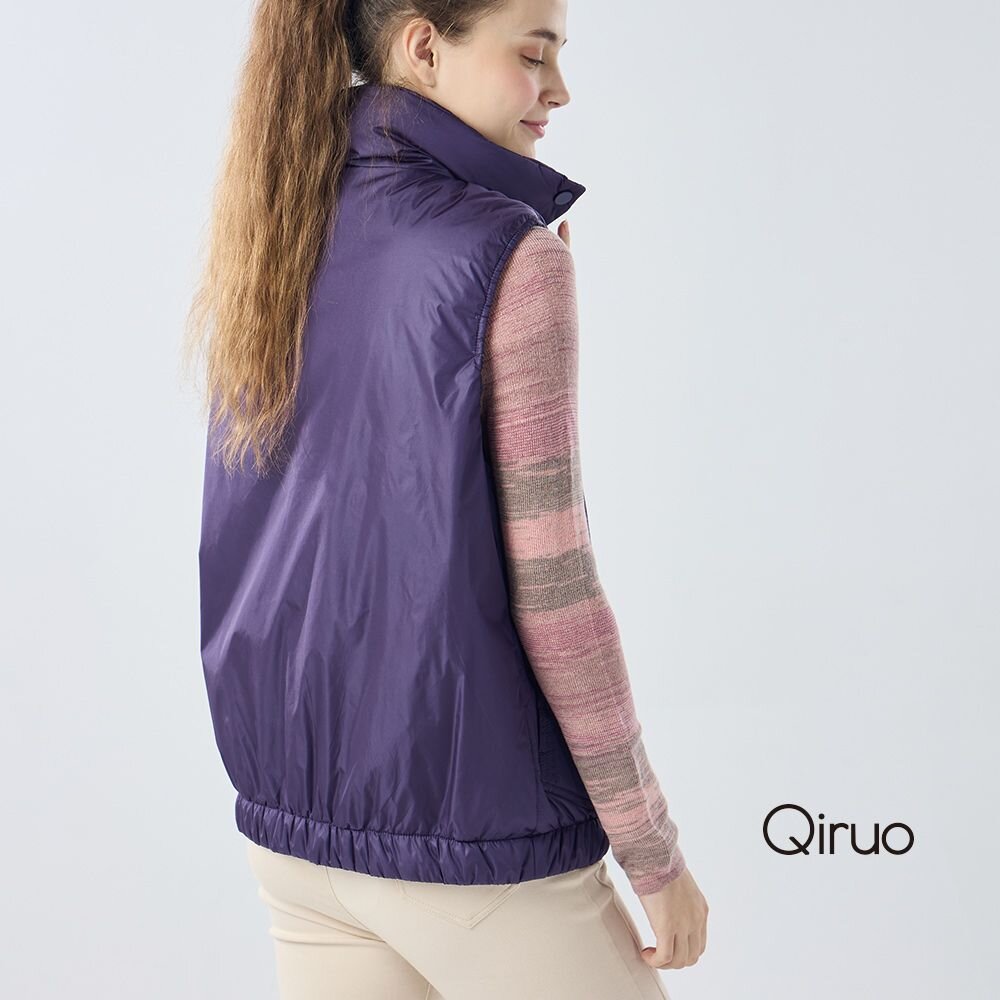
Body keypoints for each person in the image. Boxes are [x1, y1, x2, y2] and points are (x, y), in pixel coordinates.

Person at [185, 0, 709, 996]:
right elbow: (555, 590)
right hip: (474, 846)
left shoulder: (275, 216)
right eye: (534, 55)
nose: (559, 90)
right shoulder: (510, 255)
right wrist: (655, 855)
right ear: (425, 47)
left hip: (297, 848)